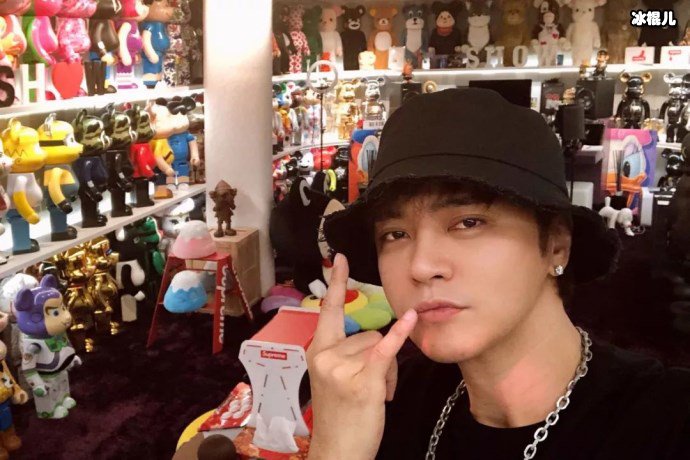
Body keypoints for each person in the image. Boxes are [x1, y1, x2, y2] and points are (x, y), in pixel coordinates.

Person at [306, 89, 690, 460]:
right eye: (395, 234)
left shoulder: (666, 424)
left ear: (557, 245)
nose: (421, 266)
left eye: (468, 222)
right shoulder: (385, 405)